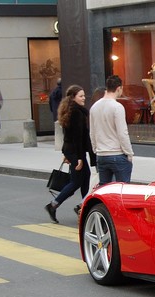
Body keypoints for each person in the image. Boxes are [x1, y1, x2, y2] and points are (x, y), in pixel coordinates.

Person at [44, 85, 95, 223]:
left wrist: (69, 154)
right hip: (76, 152)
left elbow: (69, 136)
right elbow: (77, 137)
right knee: (76, 182)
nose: (84, 98)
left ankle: (84, 209)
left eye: (84, 95)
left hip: (72, 151)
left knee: (85, 179)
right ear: (73, 97)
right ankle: (53, 205)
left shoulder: (71, 110)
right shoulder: (77, 113)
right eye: (81, 96)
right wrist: (78, 158)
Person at [89, 75, 134, 185]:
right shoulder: (117, 107)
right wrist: (129, 153)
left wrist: (96, 149)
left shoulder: (94, 107)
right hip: (117, 153)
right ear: (119, 88)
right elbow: (122, 133)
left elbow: (92, 132)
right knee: (122, 189)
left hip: (101, 154)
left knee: (104, 189)